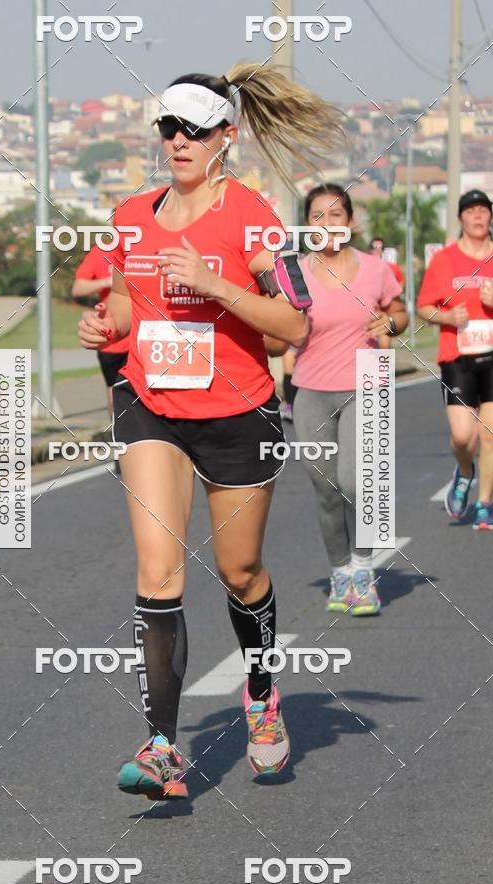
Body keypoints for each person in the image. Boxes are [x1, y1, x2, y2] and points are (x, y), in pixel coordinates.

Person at [78, 66, 341, 800]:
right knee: (158, 571)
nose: (179, 141)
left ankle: (261, 694)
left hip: (238, 413)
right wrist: (106, 323)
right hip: (153, 407)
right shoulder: (131, 216)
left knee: (239, 572)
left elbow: (294, 327)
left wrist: (219, 283)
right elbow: (130, 307)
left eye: (195, 128)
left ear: (228, 136)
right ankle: (163, 746)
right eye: (169, 126)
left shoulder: (253, 217)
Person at [292, 185, 407, 615]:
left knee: (358, 482)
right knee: (325, 489)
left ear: (351, 222)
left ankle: (363, 569)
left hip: (368, 378)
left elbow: (399, 310)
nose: (327, 223)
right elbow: (277, 329)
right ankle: (340, 572)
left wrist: (391, 322)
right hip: (311, 387)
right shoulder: (296, 272)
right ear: (308, 226)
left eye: (335, 214)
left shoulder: (376, 269)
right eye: (317, 216)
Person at [417, 189, 493, 530]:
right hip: (457, 356)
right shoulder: (445, 260)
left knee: (490, 435)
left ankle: (484, 504)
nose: (478, 217)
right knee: (464, 437)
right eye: (471, 211)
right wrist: (448, 318)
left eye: (483, 211)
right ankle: (465, 472)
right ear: (461, 218)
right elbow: (423, 307)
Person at [72, 243, 129, 419]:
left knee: (141, 394)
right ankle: (117, 436)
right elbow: (78, 289)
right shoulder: (101, 252)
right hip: (111, 341)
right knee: (114, 394)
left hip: (142, 337)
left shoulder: (147, 244)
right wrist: (108, 281)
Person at [369, 237, 405, 351]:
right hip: (367, 314)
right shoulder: (363, 266)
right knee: (367, 347)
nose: (377, 251)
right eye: (374, 248)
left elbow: (401, 282)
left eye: (380, 248)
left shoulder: (391, 267)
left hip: (384, 313)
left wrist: (391, 294)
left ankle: (386, 369)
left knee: (384, 346)